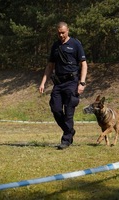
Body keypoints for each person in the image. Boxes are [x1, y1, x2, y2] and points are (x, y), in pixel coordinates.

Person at [39, 21, 88, 150]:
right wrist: (43, 82)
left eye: (63, 32)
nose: (61, 35)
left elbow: (83, 64)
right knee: (55, 109)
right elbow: (50, 66)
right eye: (59, 33)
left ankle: (66, 140)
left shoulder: (76, 44)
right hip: (59, 83)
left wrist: (82, 83)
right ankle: (69, 130)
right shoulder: (55, 46)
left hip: (72, 82)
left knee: (69, 112)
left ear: (68, 31)